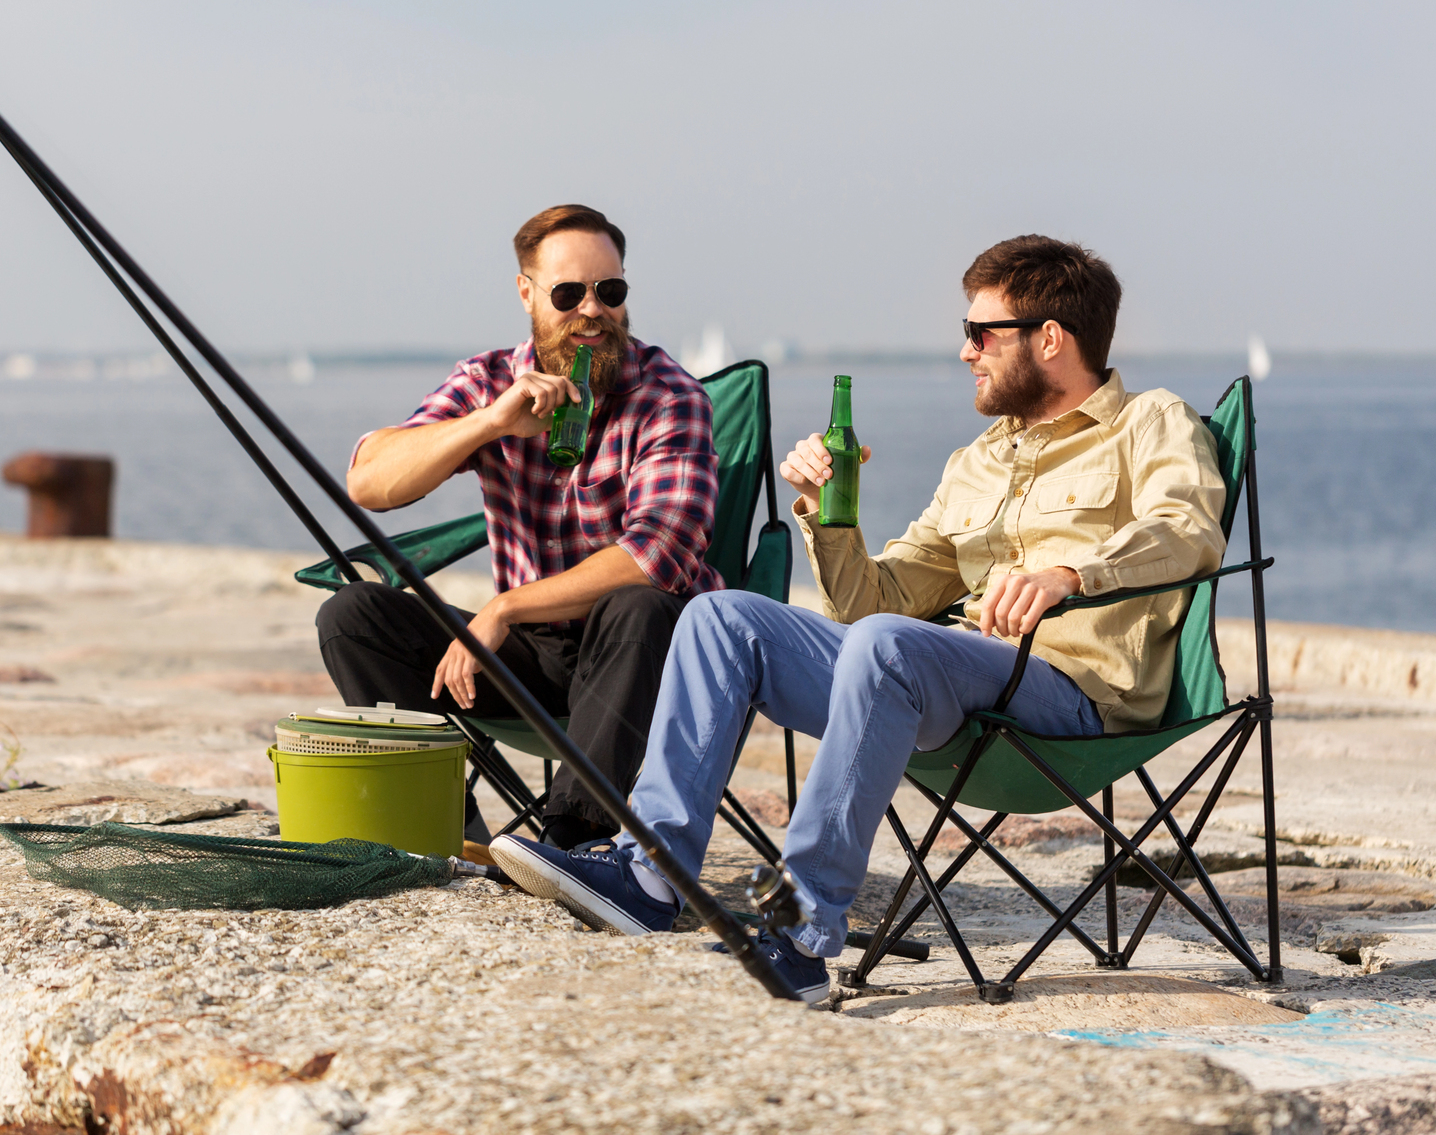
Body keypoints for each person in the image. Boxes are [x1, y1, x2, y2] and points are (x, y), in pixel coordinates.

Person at [492, 235, 1227, 1002]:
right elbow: (874, 604)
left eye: (981, 333)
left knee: (883, 648)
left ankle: (801, 935)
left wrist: (1071, 572)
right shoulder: (976, 461)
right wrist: (826, 512)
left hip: (1073, 699)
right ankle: (649, 876)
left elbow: (1188, 530)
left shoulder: (1149, 421)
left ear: (1049, 338)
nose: (965, 351)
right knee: (720, 617)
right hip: (946, 683)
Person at [317, 204, 722, 850]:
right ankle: (447, 823)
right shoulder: (488, 381)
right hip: (535, 657)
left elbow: (659, 554)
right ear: (527, 293)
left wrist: (502, 607)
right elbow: (369, 482)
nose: (593, 310)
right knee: (354, 615)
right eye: (569, 293)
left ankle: (570, 840)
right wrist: (491, 424)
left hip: (643, 657)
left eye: (610, 291)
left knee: (640, 606)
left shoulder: (669, 396)